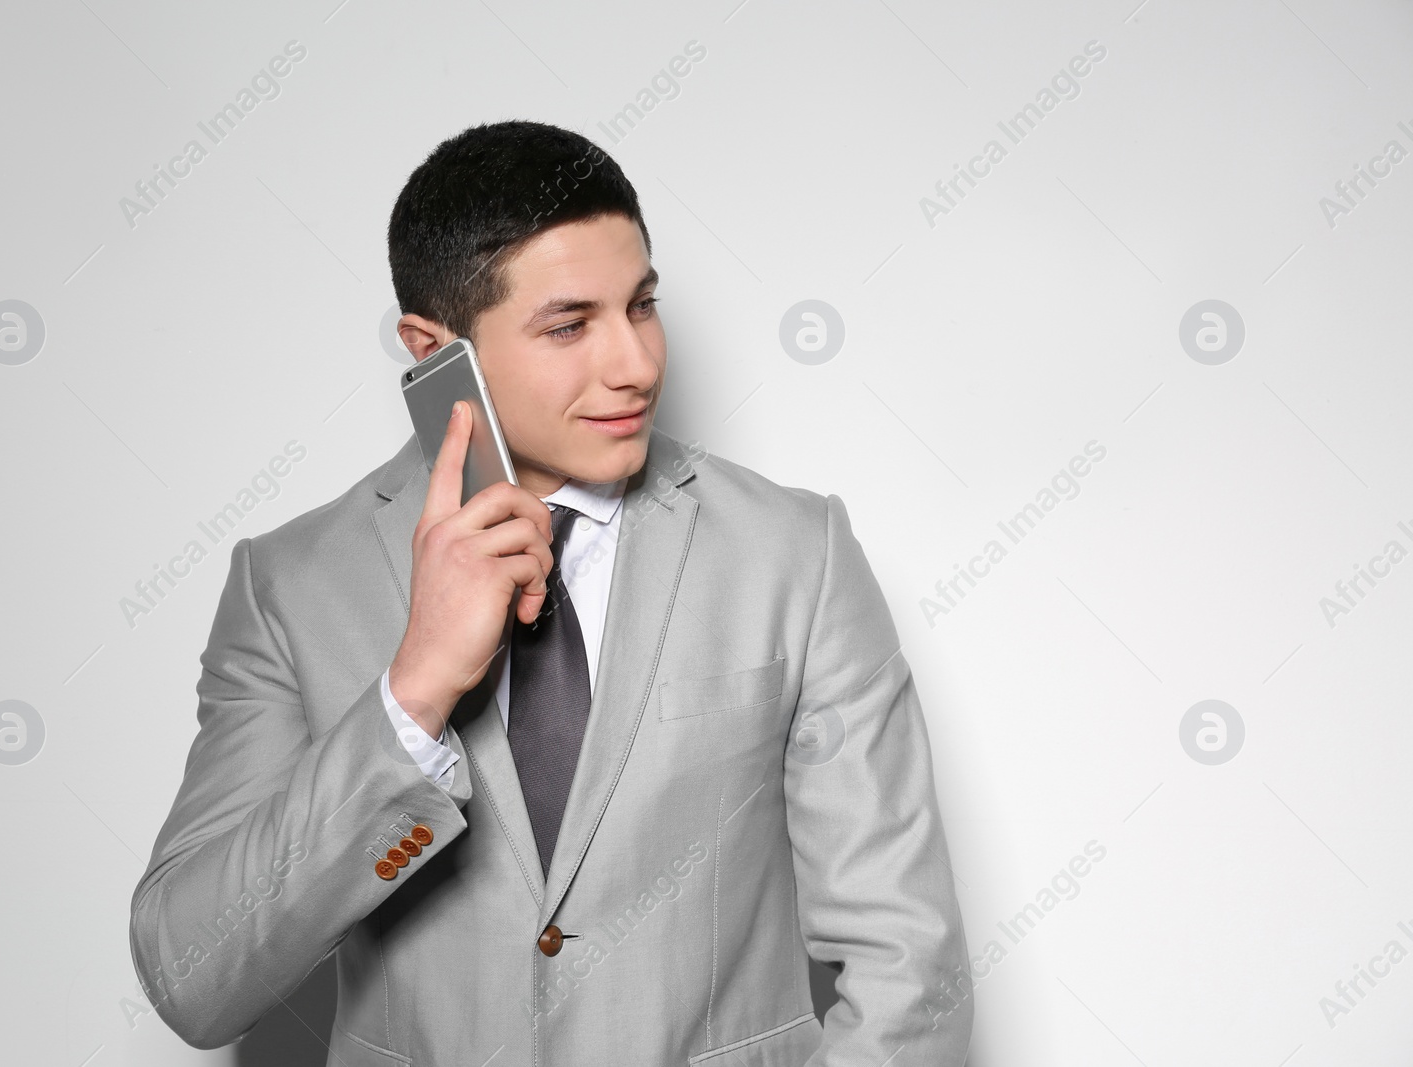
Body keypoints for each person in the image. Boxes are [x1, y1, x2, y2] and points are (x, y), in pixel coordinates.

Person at [129, 119, 973, 1065]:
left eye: (642, 306)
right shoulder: (289, 586)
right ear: (432, 348)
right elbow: (194, 982)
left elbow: (909, 967)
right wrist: (410, 700)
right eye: (569, 325)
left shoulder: (794, 553)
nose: (637, 364)